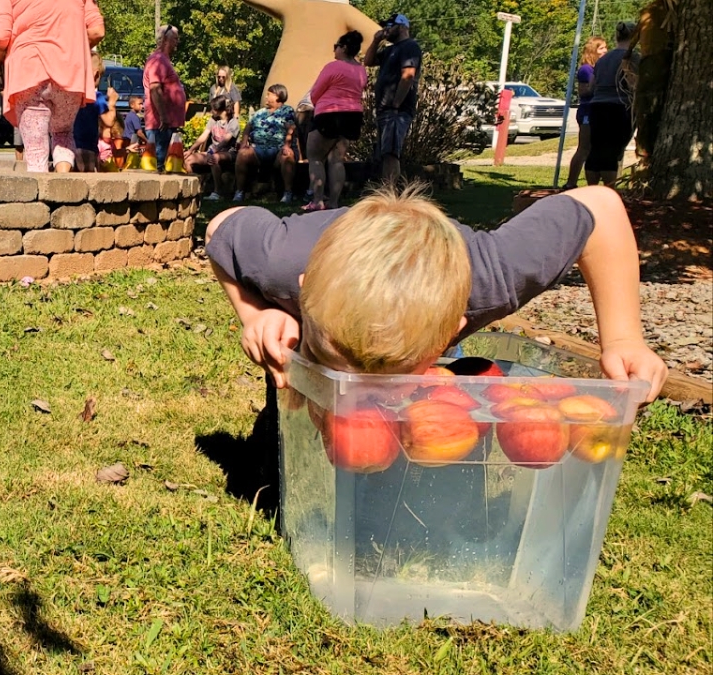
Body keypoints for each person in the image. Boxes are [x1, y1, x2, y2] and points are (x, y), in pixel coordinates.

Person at [202, 184, 667, 403]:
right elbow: (221, 226)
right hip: (315, 262)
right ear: (302, 294)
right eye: (335, 366)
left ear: (451, 331)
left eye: (384, 383)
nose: (361, 401)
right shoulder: (282, 259)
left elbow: (599, 209)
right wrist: (256, 313)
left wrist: (624, 338)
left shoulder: (493, 275)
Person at [0, 0, 105, 173]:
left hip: (30, 69)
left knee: (35, 148)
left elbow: (0, 36)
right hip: (69, 72)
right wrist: (70, 47)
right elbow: (96, 30)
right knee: (63, 133)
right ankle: (64, 189)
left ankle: (40, 195)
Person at [302, 30, 367, 212]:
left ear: (344, 47)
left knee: (315, 157)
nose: (334, 51)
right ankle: (334, 202)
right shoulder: (361, 70)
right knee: (337, 160)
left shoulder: (333, 66)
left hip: (330, 114)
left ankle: (317, 200)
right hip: (353, 116)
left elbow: (316, 91)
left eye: (335, 47)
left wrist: (316, 105)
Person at [364, 13, 421, 184]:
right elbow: (368, 61)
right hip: (384, 108)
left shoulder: (410, 47)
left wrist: (396, 103)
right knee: (384, 152)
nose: (386, 30)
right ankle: (385, 190)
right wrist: (375, 41)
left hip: (397, 110)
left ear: (402, 26)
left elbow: (408, 75)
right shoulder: (390, 49)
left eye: (390, 25)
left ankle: (388, 192)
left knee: (390, 152)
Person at [585, 22, 639, 187]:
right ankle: (610, 190)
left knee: (596, 150)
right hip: (619, 106)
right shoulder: (633, 57)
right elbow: (637, 83)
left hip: (597, 106)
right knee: (612, 151)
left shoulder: (603, 59)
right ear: (635, 37)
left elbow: (591, 86)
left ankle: (591, 189)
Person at [232, 84, 297, 203]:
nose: (266, 97)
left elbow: (291, 129)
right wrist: (243, 143)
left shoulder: (287, 110)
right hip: (258, 150)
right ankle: (239, 191)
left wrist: (287, 145)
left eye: (269, 94)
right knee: (242, 154)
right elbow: (248, 127)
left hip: (278, 150)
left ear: (278, 95)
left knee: (288, 156)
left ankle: (288, 193)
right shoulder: (260, 112)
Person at [563, 37, 608, 189]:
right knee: (584, 148)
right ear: (593, 50)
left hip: (600, 112)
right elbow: (584, 92)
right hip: (588, 112)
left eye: (605, 48)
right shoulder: (586, 70)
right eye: (601, 48)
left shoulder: (601, 68)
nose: (605, 51)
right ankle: (571, 182)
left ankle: (595, 184)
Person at [143, 24, 187, 169]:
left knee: (165, 164)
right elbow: (155, 89)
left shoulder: (164, 60)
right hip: (160, 125)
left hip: (166, 124)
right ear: (165, 40)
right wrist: (163, 116)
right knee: (159, 165)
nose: (177, 43)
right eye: (175, 39)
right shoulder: (158, 60)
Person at [184, 95, 238, 200]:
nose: (211, 110)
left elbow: (226, 140)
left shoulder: (233, 122)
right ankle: (194, 189)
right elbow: (204, 136)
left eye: (213, 108)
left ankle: (217, 192)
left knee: (214, 158)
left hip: (228, 153)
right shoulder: (213, 120)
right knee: (188, 159)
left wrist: (214, 150)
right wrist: (191, 150)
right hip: (212, 151)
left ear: (220, 109)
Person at [73, 53, 119, 172]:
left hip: (71, 144)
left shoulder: (73, 95)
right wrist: (112, 102)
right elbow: (109, 121)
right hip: (88, 147)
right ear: (96, 74)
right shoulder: (96, 96)